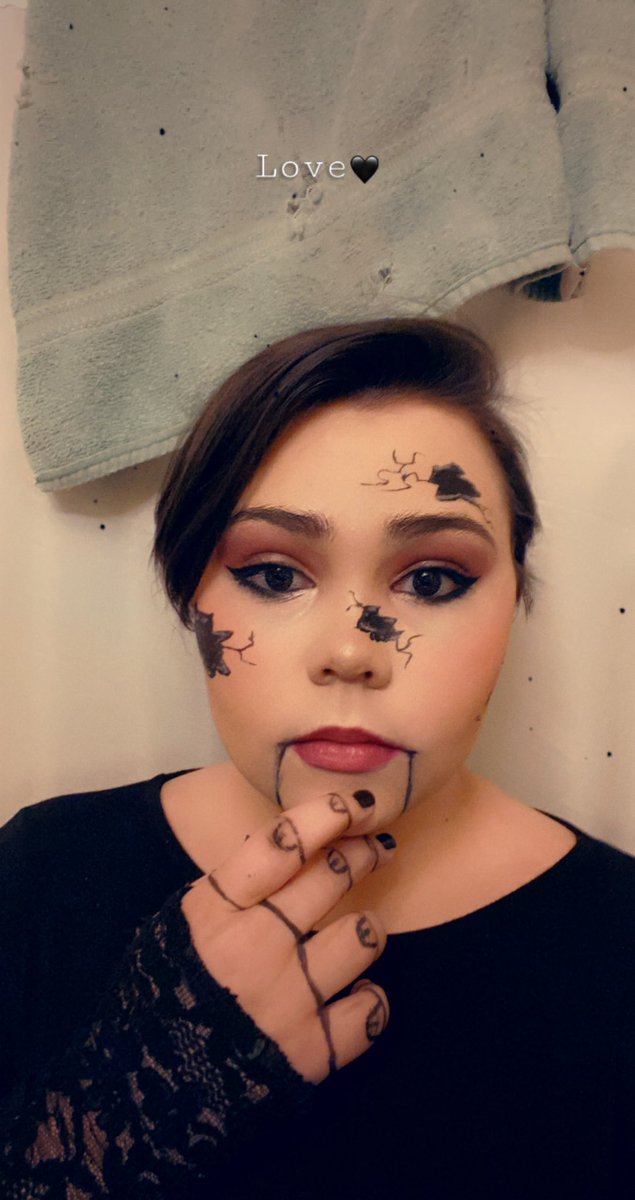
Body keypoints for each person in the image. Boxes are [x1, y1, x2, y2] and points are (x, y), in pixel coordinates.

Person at [0, 318, 633, 1199]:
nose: (348, 651)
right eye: (273, 573)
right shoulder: (43, 871)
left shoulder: (616, 943)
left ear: (512, 599)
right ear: (189, 595)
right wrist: (117, 1121)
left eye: (432, 580)